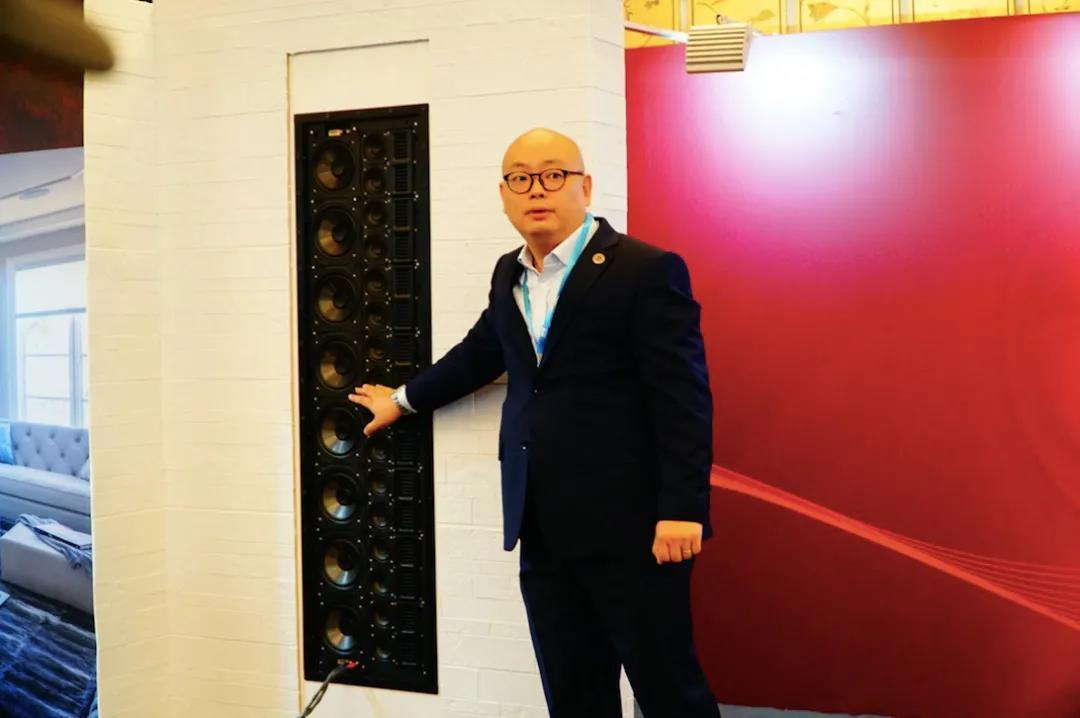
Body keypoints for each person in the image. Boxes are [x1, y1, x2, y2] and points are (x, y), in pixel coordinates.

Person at [349, 128, 719, 718]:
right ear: (504, 195)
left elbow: (682, 398)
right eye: (520, 179)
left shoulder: (645, 270)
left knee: (668, 690)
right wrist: (403, 400)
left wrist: (682, 509)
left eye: (552, 175)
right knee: (572, 692)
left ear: (584, 187)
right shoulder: (509, 274)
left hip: (633, 527)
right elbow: (480, 352)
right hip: (542, 524)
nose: (536, 190)